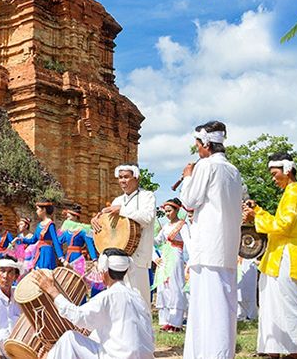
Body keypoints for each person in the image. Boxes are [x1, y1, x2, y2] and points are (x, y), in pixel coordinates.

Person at [179, 121, 244, 359]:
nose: (197, 149)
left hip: (208, 247)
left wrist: (188, 177)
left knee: (207, 308)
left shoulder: (205, 167)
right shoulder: (234, 171)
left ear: (206, 144)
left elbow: (189, 200)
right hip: (225, 247)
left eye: (197, 144)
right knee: (223, 307)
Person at [244, 152, 297, 358]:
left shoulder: (294, 193)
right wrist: (259, 211)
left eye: (275, 174)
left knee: (290, 309)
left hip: (287, 259)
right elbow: (279, 223)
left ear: (287, 170)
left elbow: (284, 226)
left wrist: (256, 215)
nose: (273, 179)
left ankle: (295, 352)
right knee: (272, 307)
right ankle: (274, 351)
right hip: (277, 259)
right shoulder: (290, 193)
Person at [35, 248, 155, 359]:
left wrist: (52, 290)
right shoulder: (137, 296)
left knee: (69, 339)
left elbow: (78, 316)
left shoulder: (108, 296)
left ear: (104, 271)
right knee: (91, 336)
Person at [91, 164, 156, 307]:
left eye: (126, 177)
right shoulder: (117, 200)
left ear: (136, 178)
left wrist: (122, 210)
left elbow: (147, 217)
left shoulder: (147, 196)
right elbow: (109, 226)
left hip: (138, 257)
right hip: (117, 259)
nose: (122, 181)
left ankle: (142, 329)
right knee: (117, 300)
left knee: (139, 300)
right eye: (120, 178)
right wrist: (97, 220)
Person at [153, 198, 188, 332]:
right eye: (165, 211)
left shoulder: (182, 225)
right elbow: (157, 241)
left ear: (177, 210)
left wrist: (190, 261)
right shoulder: (166, 226)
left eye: (169, 211)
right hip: (165, 256)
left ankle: (176, 322)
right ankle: (166, 320)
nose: (167, 214)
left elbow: (188, 243)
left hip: (176, 254)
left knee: (175, 286)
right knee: (163, 286)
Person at [14, 200, 64, 270]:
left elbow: (55, 241)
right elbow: (33, 240)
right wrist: (21, 240)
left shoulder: (50, 224)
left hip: (47, 252)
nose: (36, 211)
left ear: (43, 210)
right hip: (39, 251)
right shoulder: (39, 225)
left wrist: (61, 257)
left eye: (38, 209)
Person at [237, 256, 258, 321]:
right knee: (239, 293)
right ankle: (240, 314)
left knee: (250, 292)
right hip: (239, 266)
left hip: (250, 263)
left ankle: (251, 315)